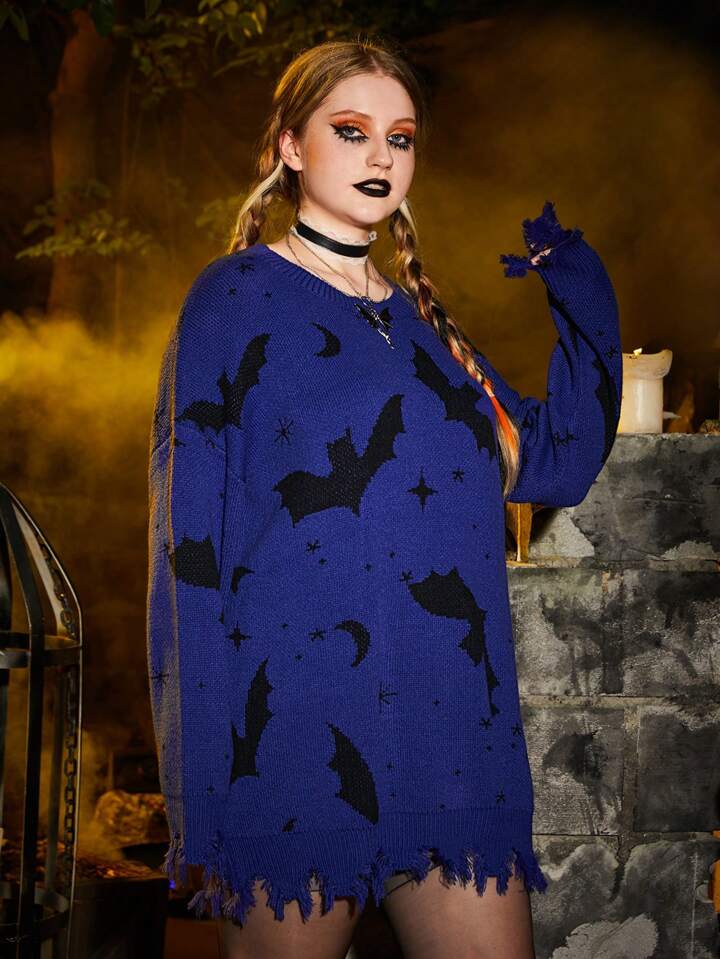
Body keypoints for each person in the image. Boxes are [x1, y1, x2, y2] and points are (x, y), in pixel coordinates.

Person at [146, 35, 622, 959]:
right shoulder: (231, 300)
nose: (380, 156)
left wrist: (576, 286)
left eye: (399, 138)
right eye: (351, 130)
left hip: (454, 741)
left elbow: (556, 462)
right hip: (290, 744)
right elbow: (186, 549)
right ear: (291, 146)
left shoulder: (427, 328)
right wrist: (198, 789)